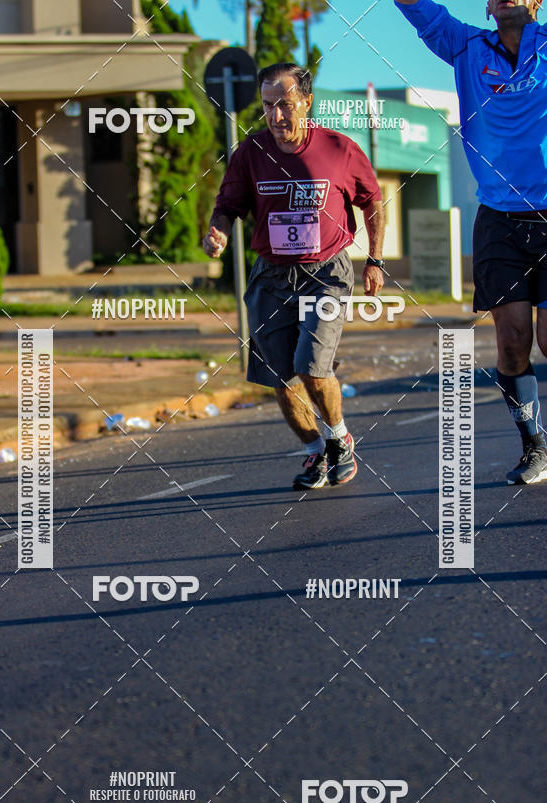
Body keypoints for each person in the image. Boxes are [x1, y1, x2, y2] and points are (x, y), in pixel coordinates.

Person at [203, 62, 386, 490]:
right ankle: (315, 450)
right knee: (279, 377)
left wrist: (375, 260)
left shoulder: (339, 149)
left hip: (325, 272)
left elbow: (373, 201)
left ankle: (340, 439)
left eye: (285, 105)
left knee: (311, 365)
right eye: (268, 106)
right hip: (271, 275)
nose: (276, 116)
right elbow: (228, 205)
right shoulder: (251, 153)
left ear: (306, 102)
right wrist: (219, 232)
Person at [396, 0, 547, 484]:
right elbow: (417, 8)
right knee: (512, 342)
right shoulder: (464, 45)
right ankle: (535, 444)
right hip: (498, 218)